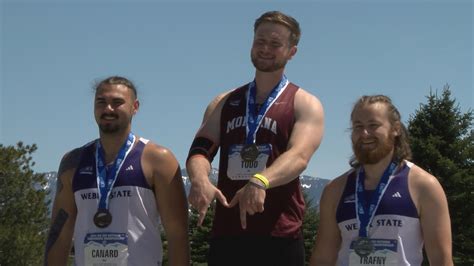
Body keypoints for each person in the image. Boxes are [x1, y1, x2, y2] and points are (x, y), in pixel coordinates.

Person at [186, 11, 324, 266]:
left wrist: (261, 180)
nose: (265, 49)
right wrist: (199, 178)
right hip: (227, 235)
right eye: (260, 41)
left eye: (275, 43)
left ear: (291, 52)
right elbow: (200, 150)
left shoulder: (304, 103)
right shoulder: (224, 102)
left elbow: (299, 155)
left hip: (279, 235)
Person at [44, 76, 190, 266]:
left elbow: (177, 235)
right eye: (101, 102)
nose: (108, 109)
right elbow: (60, 234)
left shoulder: (158, 159)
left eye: (117, 102)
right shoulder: (73, 162)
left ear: (134, 107)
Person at [310, 95, 453, 265]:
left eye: (373, 125)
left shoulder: (423, 186)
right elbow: (323, 258)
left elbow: (441, 260)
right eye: (358, 127)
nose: (364, 133)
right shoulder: (335, 189)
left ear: (396, 129)